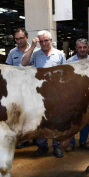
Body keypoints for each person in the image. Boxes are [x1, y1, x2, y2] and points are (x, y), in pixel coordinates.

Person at [21, 30, 66, 158]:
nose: (44, 43)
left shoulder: (59, 55)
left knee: (56, 120)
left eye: (46, 40)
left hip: (56, 93)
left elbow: (66, 73)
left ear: (51, 40)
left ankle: (57, 146)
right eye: (41, 41)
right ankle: (43, 145)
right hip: (39, 94)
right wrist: (33, 46)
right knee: (40, 120)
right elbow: (23, 63)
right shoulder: (35, 54)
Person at [66, 38, 89, 152]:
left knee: (85, 119)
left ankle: (83, 141)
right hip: (72, 96)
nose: (82, 49)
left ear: (88, 48)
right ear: (76, 48)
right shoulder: (69, 62)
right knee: (72, 119)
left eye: (84, 47)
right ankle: (71, 142)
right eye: (80, 47)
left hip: (88, 95)